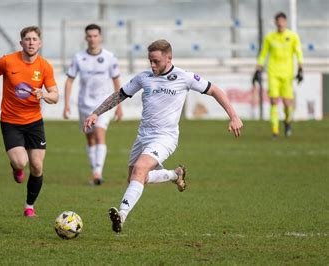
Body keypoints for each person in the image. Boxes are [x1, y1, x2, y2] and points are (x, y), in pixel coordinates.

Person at [83, 39, 243, 233]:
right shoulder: (144, 77)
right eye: (150, 60)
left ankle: (121, 216)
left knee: (139, 170)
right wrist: (96, 113)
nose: (152, 65)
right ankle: (174, 174)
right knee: (135, 178)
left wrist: (234, 116)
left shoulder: (184, 77)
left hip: (165, 137)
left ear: (169, 58)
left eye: (156, 61)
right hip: (143, 136)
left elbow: (215, 90)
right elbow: (120, 94)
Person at [0, 26, 59, 217]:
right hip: (11, 122)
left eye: (34, 39)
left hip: (34, 122)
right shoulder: (8, 61)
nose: (31, 42)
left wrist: (45, 95)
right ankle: (16, 168)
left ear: (40, 43)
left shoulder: (45, 66)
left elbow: (55, 96)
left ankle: (29, 206)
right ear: (21, 42)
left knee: (38, 166)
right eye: (27, 39)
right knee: (21, 162)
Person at [63, 24, 122, 185]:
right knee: (90, 140)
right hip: (84, 104)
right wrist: (66, 104)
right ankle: (95, 170)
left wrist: (119, 106)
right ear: (85, 38)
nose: (92, 39)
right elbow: (69, 81)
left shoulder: (110, 57)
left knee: (99, 134)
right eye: (89, 36)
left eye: (95, 36)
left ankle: (97, 173)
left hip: (103, 105)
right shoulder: (79, 57)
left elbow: (117, 81)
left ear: (100, 37)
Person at [253, 12, 303, 139]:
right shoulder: (270, 37)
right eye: (278, 21)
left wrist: (301, 69)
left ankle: (287, 122)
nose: (280, 23)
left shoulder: (292, 36)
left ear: (285, 22)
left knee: (287, 103)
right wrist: (257, 70)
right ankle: (275, 131)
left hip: (287, 75)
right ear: (275, 23)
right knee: (274, 101)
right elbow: (263, 54)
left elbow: (298, 53)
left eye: (282, 21)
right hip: (273, 73)